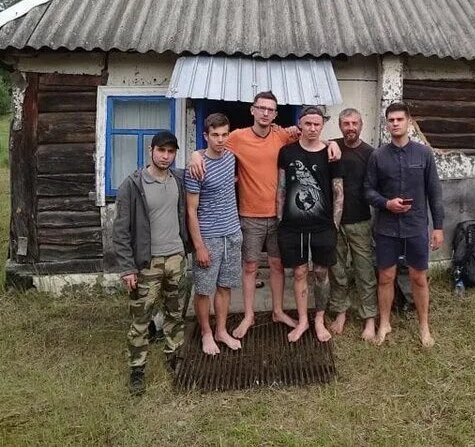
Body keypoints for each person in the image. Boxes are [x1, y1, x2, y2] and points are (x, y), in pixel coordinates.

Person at [186, 92, 340, 339]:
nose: (266, 113)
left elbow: (314, 135)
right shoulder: (236, 137)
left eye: (271, 109)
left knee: (278, 265)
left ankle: (278, 311)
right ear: (252, 110)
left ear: (276, 114)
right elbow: (210, 146)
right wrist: (194, 155)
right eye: (261, 108)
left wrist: (334, 143)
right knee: (250, 266)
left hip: (281, 217)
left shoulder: (283, 134)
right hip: (249, 215)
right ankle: (249, 315)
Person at [111, 131, 189, 395]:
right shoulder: (132, 185)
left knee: (175, 314)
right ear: (151, 150)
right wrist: (127, 268)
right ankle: (137, 369)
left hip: (176, 258)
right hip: (147, 263)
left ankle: (174, 357)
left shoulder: (179, 178)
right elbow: (121, 230)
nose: (166, 157)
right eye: (162, 151)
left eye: (171, 152)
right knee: (141, 319)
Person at [365, 102, 445, 348]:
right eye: (391, 120)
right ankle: (385, 323)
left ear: (409, 122)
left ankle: (424, 325)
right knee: (385, 277)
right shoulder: (378, 156)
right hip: (387, 227)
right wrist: (386, 203)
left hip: (415, 226)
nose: (395, 123)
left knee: (418, 277)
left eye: (400, 119)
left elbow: (435, 192)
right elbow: (367, 191)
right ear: (387, 124)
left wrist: (438, 227)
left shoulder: (423, 154)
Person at [276, 106, 343, 343]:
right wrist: (279, 221)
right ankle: (303, 319)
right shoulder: (286, 152)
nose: (312, 128)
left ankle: (319, 319)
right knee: (300, 272)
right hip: (293, 226)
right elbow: (282, 188)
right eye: (308, 124)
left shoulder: (332, 153)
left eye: (317, 124)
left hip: (323, 226)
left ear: (322, 125)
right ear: (300, 125)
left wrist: (334, 225)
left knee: (322, 273)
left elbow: (338, 191)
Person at [184, 113, 243, 356]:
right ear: (205, 136)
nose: (220, 140)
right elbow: (191, 209)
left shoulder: (231, 157)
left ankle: (221, 330)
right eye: (215, 135)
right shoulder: (196, 167)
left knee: (225, 286)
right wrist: (199, 246)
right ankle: (206, 333)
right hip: (208, 237)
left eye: (224, 135)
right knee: (204, 289)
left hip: (232, 233)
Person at [326, 108, 378, 342]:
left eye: (354, 123)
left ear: (361, 125)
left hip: (360, 221)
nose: (350, 127)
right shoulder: (330, 148)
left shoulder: (370, 153)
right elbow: (307, 140)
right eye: (346, 123)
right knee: (337, 270)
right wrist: (328, 141)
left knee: (364, 270)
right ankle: (341, 312)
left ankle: (369, 318)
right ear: (339, 126)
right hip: (334, 222)